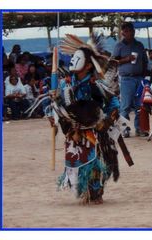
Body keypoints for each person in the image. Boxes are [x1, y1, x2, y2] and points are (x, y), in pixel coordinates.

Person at [48, 34, 131, 204]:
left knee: (97, 164)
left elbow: (113, 102)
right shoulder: (66, 84)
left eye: (78, 58)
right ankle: (86, 190)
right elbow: (58, 104)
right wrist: (53, 115)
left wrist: (108, 119)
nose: (73, 61)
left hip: (95, 131)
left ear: (87, 65)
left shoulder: (95, 84)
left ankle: (95, 191)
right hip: (75, 131)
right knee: (78, 163)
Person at [112, 22, 148, 137]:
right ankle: (124, 129)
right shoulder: (119, 46)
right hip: (126, 79)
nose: (128, 33)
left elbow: (145, 61)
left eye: (130, 30)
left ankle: (140, 129)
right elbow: (113, 62)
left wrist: (143, 75)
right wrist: (127, 59)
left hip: (139, 78)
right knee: (125, 105)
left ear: (133, 31)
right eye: (126, 31)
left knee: (140, 105)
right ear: (122, 32)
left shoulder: (139, 45)